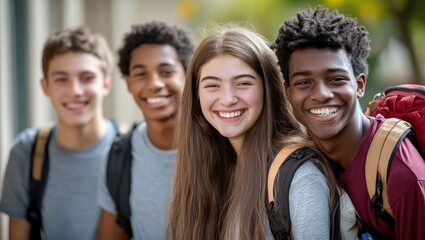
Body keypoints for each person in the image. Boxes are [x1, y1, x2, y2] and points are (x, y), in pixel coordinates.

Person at [167, 26, 350, 240]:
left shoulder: (299, 176)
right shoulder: (216, 165)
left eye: (243, 83)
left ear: (269, 88)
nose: (227, 99)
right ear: (196, 95)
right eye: (212, 85)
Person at [272, 5, 425, 239]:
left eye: (335, 79)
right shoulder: (303, 158)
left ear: (360, 85)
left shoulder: (402, 175)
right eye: (304, 83)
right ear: (288, 92)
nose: (321, 94)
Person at [0, 26, 116, 239]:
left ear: (106, 84)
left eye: (87, 77)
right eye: (61, 79)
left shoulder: (129, 148)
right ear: (45, 87)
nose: (75, 91)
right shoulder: (27, 152)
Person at [97, 20, 195, 240]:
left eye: (166, 71)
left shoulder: (223, 147)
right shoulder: (117, 157)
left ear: (188, 76)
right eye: (141, 74)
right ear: (128, 83)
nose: (154, 84)